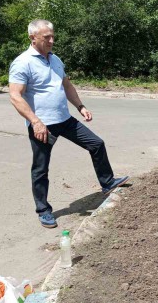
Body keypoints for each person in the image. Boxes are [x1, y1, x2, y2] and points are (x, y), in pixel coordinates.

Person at [9, 19, 129, 228]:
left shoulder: (55, 60)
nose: (52, 40)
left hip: (65, 119)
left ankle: (107, 182)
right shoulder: (23, 62)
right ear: (33, 38)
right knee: (41, 169)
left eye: (53, 36)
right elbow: (15, 96)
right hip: (42, 125)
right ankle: (44, 210)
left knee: (96, 144)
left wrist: (80, 106)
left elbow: (66, 85)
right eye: (47, 37)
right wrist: (35, 122)